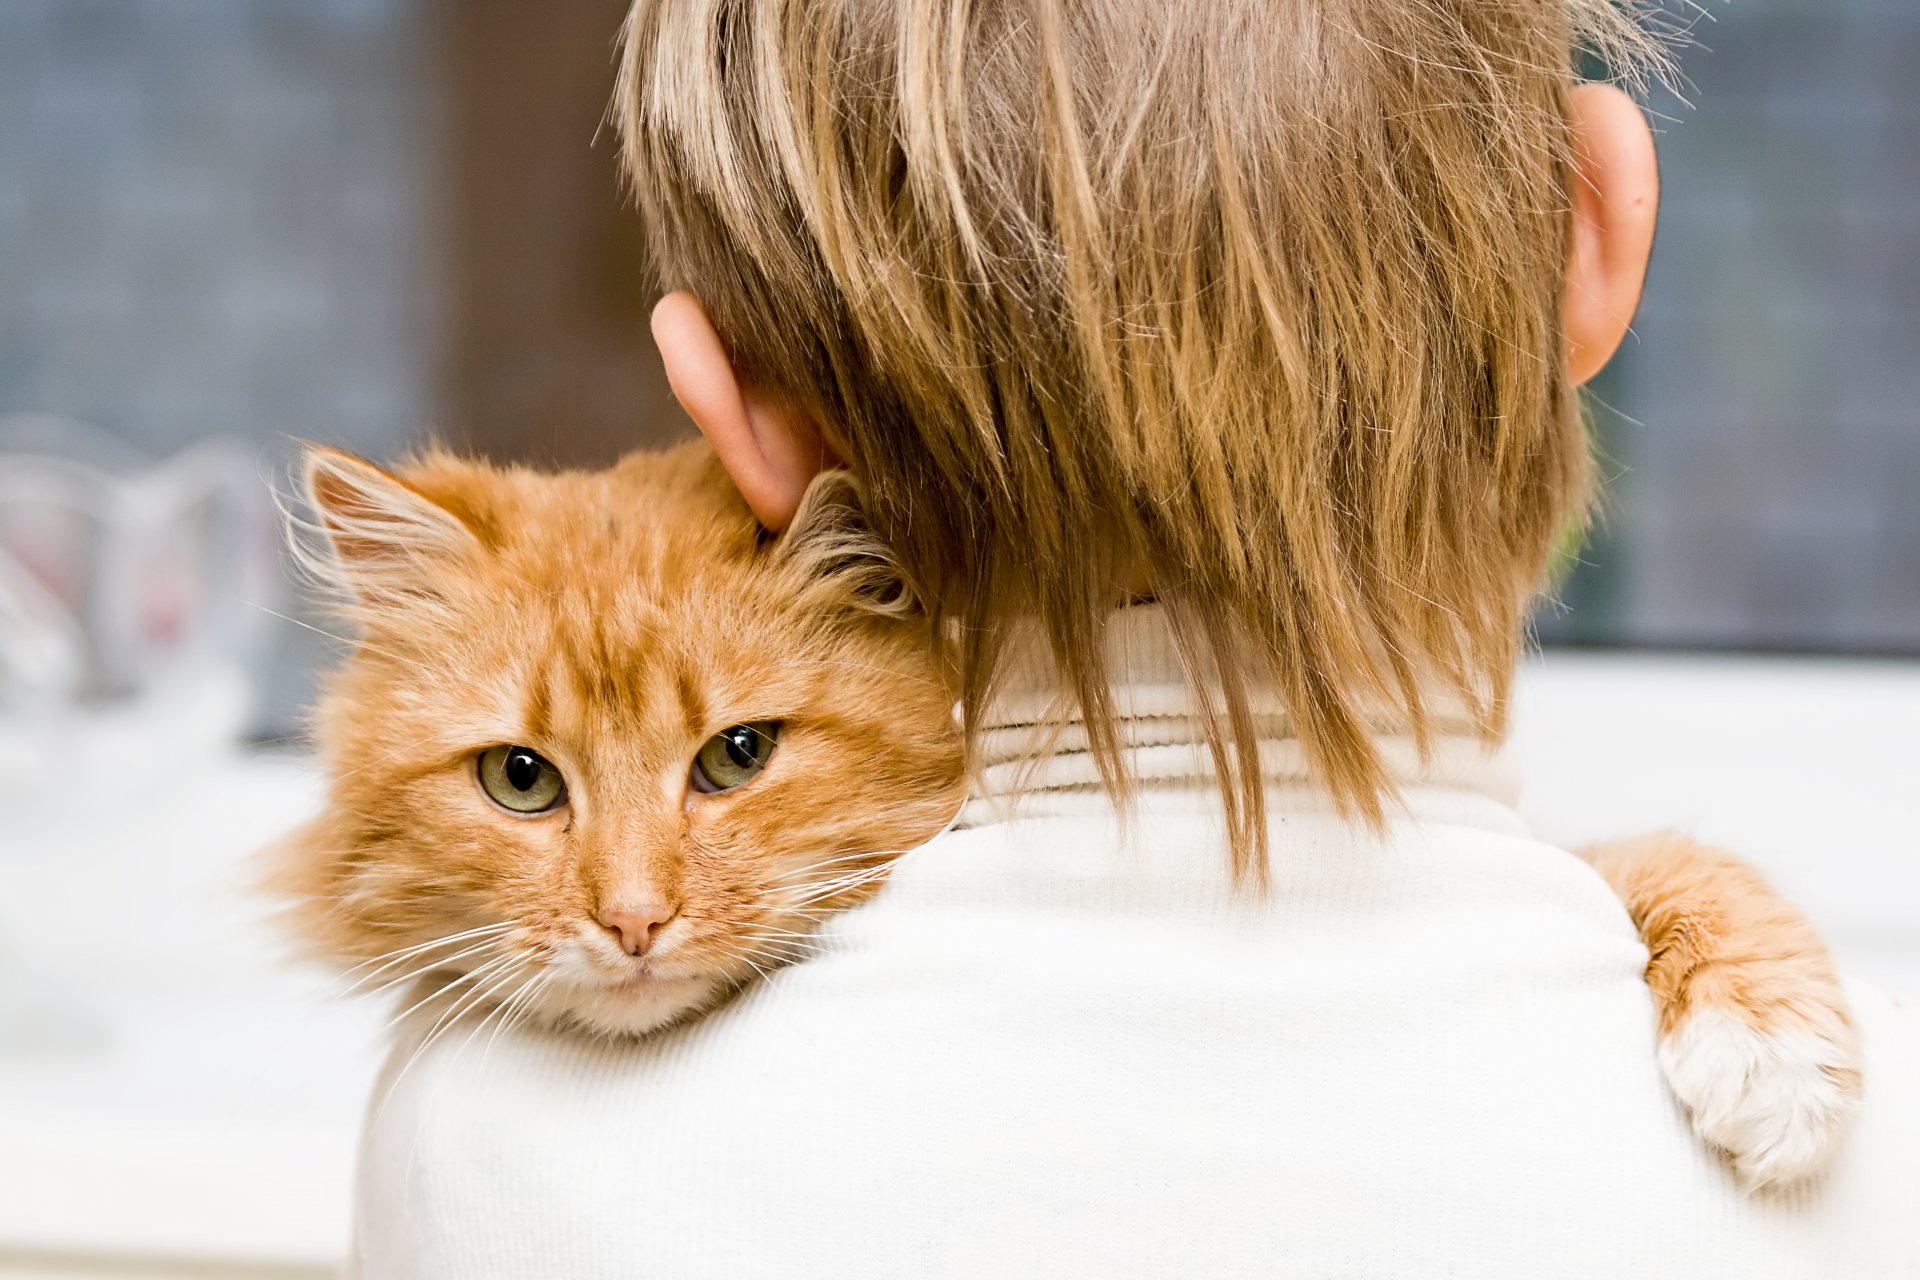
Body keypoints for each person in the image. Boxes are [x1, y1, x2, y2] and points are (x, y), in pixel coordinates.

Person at [350, 2, 1919, 1274]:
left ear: (741, 415)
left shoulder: (487, 1140)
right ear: (1593, 241)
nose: (634, 902)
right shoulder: (1869, 1147)